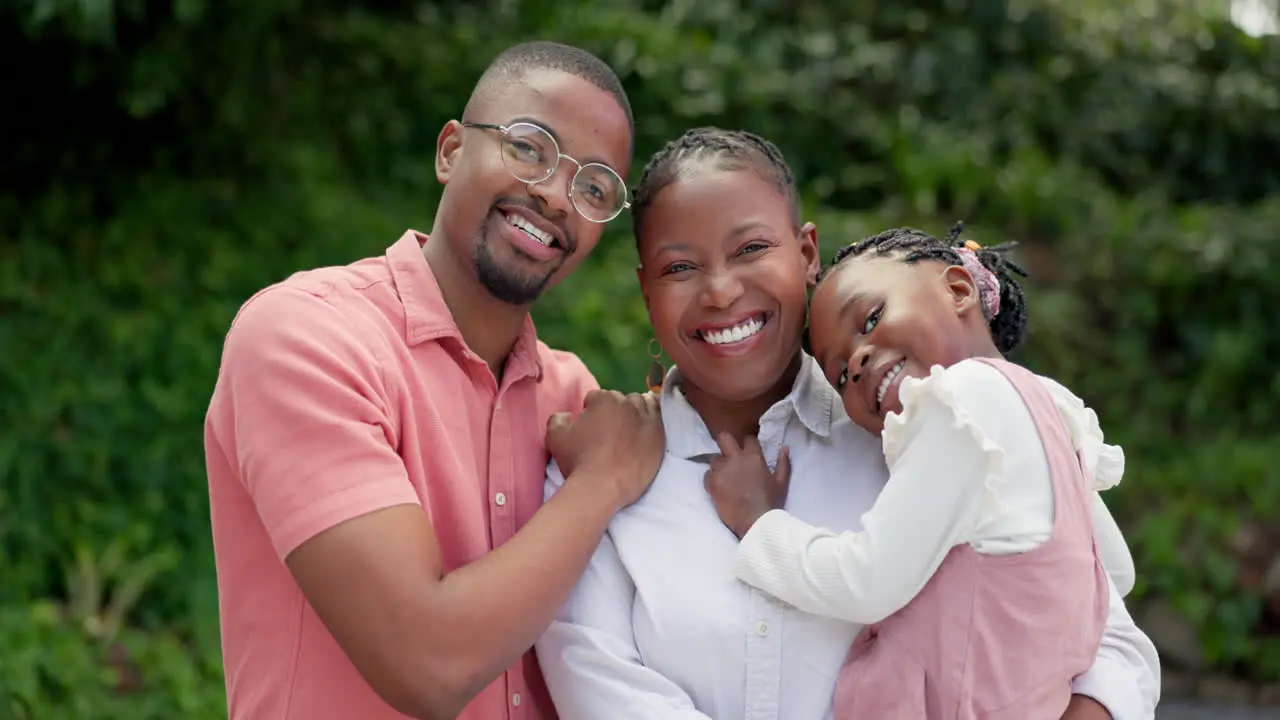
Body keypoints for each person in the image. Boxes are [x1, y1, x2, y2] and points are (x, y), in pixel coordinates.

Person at [535, 127, 1160, 720]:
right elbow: (597, 681)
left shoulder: (917, 430)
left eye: (751, 249)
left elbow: (1109, 639)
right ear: (646, 290)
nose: (721, 291)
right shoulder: (607, 470)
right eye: (679, 268)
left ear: (806, 253)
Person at [203, 41, 665, 720]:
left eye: (594, 188)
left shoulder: (573, 399)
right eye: (529, 147)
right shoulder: (306, 338)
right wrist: (602, 481)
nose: (554, 195)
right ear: (450, 150)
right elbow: (426, 664)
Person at [706, 222, 1130, 718]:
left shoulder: (959, 403)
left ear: (957, 289)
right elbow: (1113, 569)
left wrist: (759, 524)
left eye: (870, 318)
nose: (857, 361)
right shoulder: (1050, 406)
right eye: (839, 374)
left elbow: (866, 582)